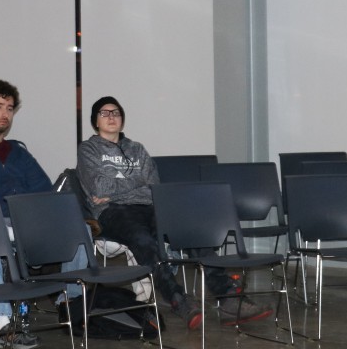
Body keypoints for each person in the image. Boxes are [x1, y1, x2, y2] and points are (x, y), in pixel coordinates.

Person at [77, 96, 270, 330]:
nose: (111, 117)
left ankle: (227, 296)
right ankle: (178, 300)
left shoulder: (137, 149)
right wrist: (136, 183)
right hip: (112, 212)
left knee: (191, 228)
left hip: (151, 206)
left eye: (116, 113)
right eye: (104, 113)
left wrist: (121, 187)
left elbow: (153, 186)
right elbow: (99, 188)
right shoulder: (88, 150)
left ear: (123, 119)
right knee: (144, 242)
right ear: (95, 121)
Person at [0, 79, 82, 349]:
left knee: (80, 231)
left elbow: (43, 193)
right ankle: (3, 326)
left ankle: (70, 304)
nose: (5, 114)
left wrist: (35, 220)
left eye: (9, 108)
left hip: (27, 225)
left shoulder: (19, 153)